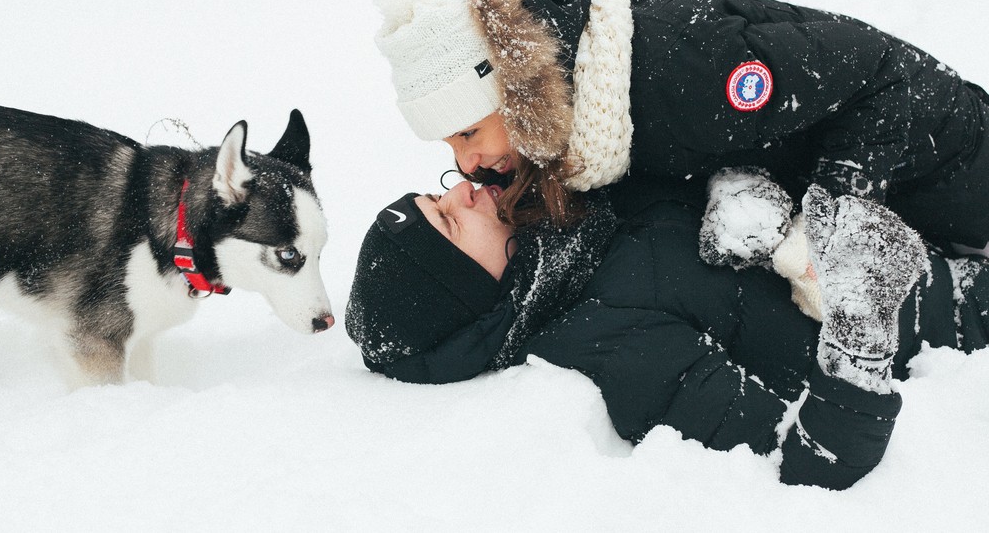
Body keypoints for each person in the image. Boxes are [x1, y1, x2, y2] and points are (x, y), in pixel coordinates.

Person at [346, 172, 989, 490]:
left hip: (930, 227)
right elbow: (809, 459)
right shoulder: (601, 344)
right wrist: (863, 326)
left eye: (436, 197)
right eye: (451, 223)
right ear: (473, 293)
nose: (462, 189)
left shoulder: (572, 211)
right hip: (951, 323)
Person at [372, 0, 989, 258]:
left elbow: (878, 70)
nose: (465, 164)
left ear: (514, 89)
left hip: (962, 166)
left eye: (467, 132)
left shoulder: (685, 76)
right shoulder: (589, 99)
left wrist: (831, 218)